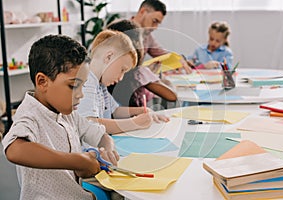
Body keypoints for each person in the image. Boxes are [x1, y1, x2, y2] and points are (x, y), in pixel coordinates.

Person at [1, 34, 119, 200]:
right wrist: (77, 161)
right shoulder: (29, 115)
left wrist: (108, 149)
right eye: (73, 86)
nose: (80, 95)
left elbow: (101, 135)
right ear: (42, 82)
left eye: (82, 86)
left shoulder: (68, 114)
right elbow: (15, 150)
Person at [77, 29, 169, 135]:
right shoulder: (87, 82)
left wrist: (142, 111)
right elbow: (91, 123)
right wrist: (134, 123)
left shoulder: (100, 84)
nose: (121, 78)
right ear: (109, 57)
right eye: (122, 70)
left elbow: (115, 110)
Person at [106, 19, 177, 108]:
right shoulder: (139, 73)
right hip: (137, 117)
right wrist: (165, 81)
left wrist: (150, 73)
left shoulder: (105, 72)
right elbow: (172, 96)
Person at [132, 0, 193, 74]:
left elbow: (164, 54)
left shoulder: (147, 36)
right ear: (143, 12)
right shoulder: (120, 30)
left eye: (158, 23)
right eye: (154, 21)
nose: (155, 27)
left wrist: (179, 59)